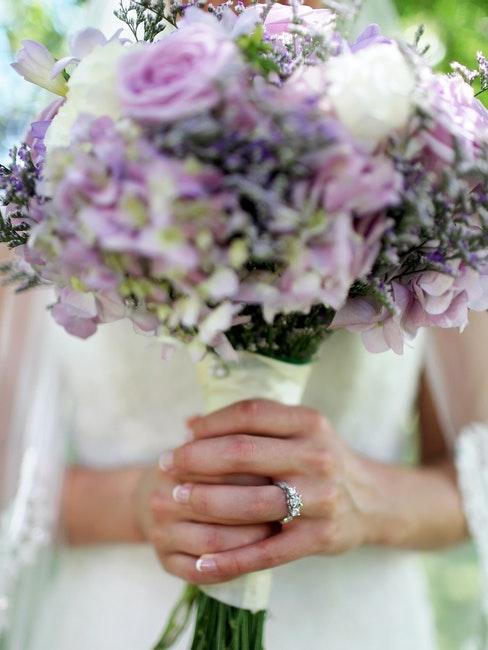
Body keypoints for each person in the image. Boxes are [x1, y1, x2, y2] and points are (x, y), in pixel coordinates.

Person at [1, 2, 487, 650]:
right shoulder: (70, 148)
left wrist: (369, 499)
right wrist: (140, 501)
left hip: (357, 622)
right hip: (113, 620)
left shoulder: (428, 157)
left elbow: (474, 475)